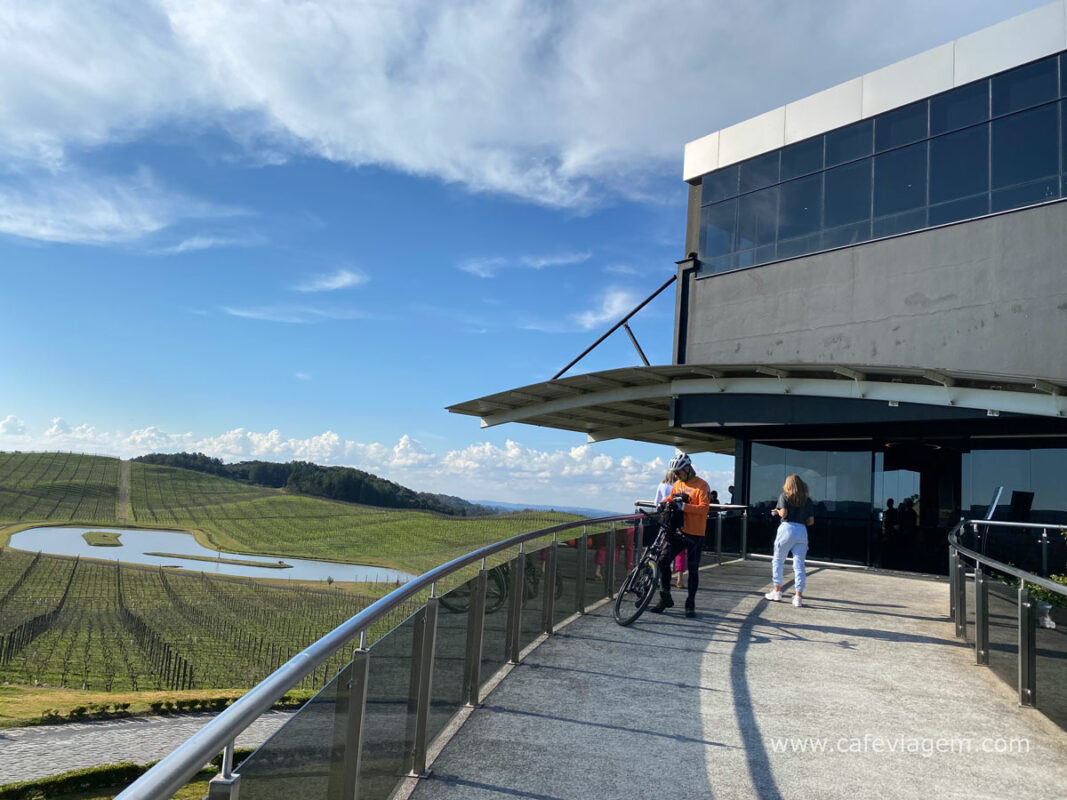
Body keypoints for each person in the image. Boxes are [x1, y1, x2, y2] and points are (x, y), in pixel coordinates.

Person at [651, 453, 711, 618]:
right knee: (663, 560)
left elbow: (704, 509)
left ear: (687, 468)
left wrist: (684, 506)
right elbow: (670, 498)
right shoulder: (677, 483)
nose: (676, 475)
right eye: (674, 473)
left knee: (693, 568)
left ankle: (690, 603)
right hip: (678, 531)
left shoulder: (702, 486)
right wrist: (663, 504)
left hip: (696, 533)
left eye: (678, 472)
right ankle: (665, 597)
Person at [764, 474, 814, 608]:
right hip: (802, 531)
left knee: (778, 560)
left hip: (787, 529)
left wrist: (777, 511)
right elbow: (811, 521)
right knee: (799, 565)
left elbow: (784, 513)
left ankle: (777, 591)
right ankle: (798, 597)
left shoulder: (784, 496)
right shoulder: (807, 500)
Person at [654, 470, 687, 587]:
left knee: (663, 548)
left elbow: (656, 503)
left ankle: (658, 577)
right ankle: (679, 578)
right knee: (679, 550)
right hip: (678, 520)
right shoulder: (679, 486)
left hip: (665, 518)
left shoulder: (662, 485)